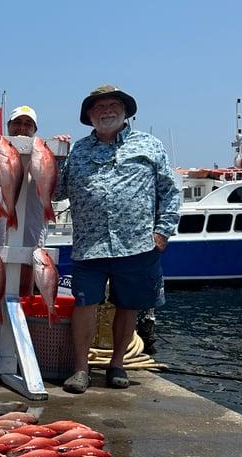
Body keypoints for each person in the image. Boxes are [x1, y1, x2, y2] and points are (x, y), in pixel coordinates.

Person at [55, 84, 180, 394]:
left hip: (138, 244)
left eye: (113, 105)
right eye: (99, 107)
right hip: (89, 245)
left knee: (129, 306)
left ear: (126, 112)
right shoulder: (78, 151)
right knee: (84, 305)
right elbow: (56, 192)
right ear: (89, 115)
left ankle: (117, 365)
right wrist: (54, 157)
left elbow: (170, 191)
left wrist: (162, 232)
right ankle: (81, 369)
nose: (106, 111)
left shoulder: (150, 145)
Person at [0, 104, 69, 296]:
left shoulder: (43, 155)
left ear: (35, 130)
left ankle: (22, 323)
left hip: (30, 233)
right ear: (8, 126)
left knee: (24, 290)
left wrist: (57, 152)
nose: (22, 127)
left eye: (28, 124)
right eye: (17, 122)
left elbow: (56, 185)